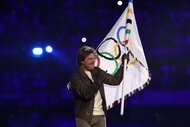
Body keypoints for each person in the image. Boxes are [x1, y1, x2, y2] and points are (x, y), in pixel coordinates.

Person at [69, 45, 129, 127]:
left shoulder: (97, 71)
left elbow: (115, 80)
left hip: (100, 116)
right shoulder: (76, 77)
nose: (93, 61)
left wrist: (123, 65)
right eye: (90, 59)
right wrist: (98, 82)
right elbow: (87, 94)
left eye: (94, 58)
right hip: (84, 117)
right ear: (82, 61)